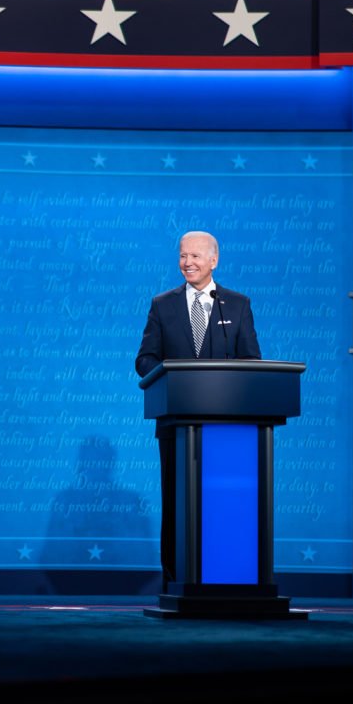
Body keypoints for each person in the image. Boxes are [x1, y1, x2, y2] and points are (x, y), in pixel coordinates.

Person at [133, 231, 260, 590]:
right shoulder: (163, 304)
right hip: (176, 424)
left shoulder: (236, 304)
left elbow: (251, 359)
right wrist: (169, 378)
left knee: (223, 507)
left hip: (228, 429)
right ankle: (175, 581)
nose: (187, 263)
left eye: (196, 256)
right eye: (183, 256)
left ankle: (228, 580)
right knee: (177, 503)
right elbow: (144, 359)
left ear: (214, 260)